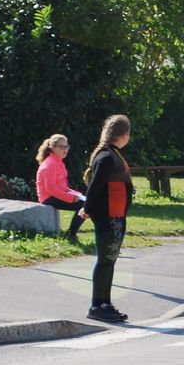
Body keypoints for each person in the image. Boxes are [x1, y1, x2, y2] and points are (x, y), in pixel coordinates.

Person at [79, 114, 134, 324]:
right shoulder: (107, 157)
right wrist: (87, 208)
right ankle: (96, 305)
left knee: (109, 261)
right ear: (124, 135)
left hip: (116, 215)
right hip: (109, 216)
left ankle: (105, 303)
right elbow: (96, 184)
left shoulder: (112, 154)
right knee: (105, 261)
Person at [35, 134, 86, 244]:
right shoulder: (50, 164)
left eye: (66, 146)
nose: (65, 149)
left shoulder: (58, 161)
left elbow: (62, 187)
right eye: (61, 147)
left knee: (87, 203)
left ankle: (71, 234)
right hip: (48, 198)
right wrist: (71, 198)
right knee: (84, 206)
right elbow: (51, 189)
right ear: (52, 147)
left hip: (55, 195)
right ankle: (71, 235)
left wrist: (77, 194)